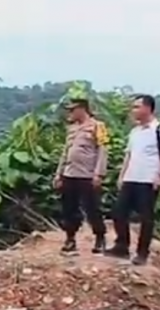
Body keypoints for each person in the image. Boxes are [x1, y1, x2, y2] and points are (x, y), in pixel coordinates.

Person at [105, 94, 160, 265]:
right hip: (131, 178)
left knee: (146, 218)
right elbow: (129, 155)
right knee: (118, 212)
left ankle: (142, 253)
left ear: (148, 108)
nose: (133, 110)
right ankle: (121, 246)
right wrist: (122, 175)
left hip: (148, 180)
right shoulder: (134, 132)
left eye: (137, 107)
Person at [53, 98, 109, 254]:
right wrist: (59, 174)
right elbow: (65, 153)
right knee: (69, 208)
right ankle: (70, 239)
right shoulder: (71, 129)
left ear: (82, 109)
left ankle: (100, 237)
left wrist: (99, 173)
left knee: (92, 208)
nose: (69, 113)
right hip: (70, 174)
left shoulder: (98, 126)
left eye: (72, 110)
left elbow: (103, 150)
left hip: (87, 175)